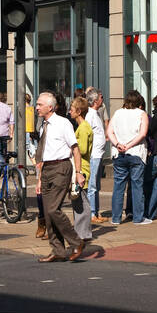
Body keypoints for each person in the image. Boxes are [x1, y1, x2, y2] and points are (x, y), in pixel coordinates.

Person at [34, 91, 85, 262]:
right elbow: (44, 153)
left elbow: (75, 149)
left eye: (40, 104)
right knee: (48, 214)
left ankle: (77, 242)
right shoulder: (43, 125)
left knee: (52, 209)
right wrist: (40, 178)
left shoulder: (63, 123)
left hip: (61, 168)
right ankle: (58, 251)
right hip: (47, 169)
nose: (37, 107)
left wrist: (78, 173)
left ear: (50, 106)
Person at [107, 90, 150, 225]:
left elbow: (109, 132)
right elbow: (143, 134)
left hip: (118, 154)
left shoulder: (118, 113)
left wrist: (119, 144)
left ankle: (116, 218)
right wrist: (129, 145)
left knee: (118, 186)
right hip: (136, 153)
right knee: (137, 186)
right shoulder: (142, 114)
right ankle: (138, 218)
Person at [69, 96, 94, 254]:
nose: (69, 111)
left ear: (78, 111)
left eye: (71, 109)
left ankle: (82, 234)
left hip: (82, 168)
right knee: (78, 200)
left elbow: (83, 150)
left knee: (81, 200)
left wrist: (71, 146)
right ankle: (81, 232)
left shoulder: (84, 128)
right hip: (81, 167)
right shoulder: (81, 127)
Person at [85, 88, 109, 223]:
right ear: (95, 101)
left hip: (98, 154)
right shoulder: (90, 115)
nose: (102, 100)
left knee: (96, 185)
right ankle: (92, 213)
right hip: (94, 155)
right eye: (101, 98)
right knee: (92, 185)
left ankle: (96, 211)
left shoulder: (95, 114)